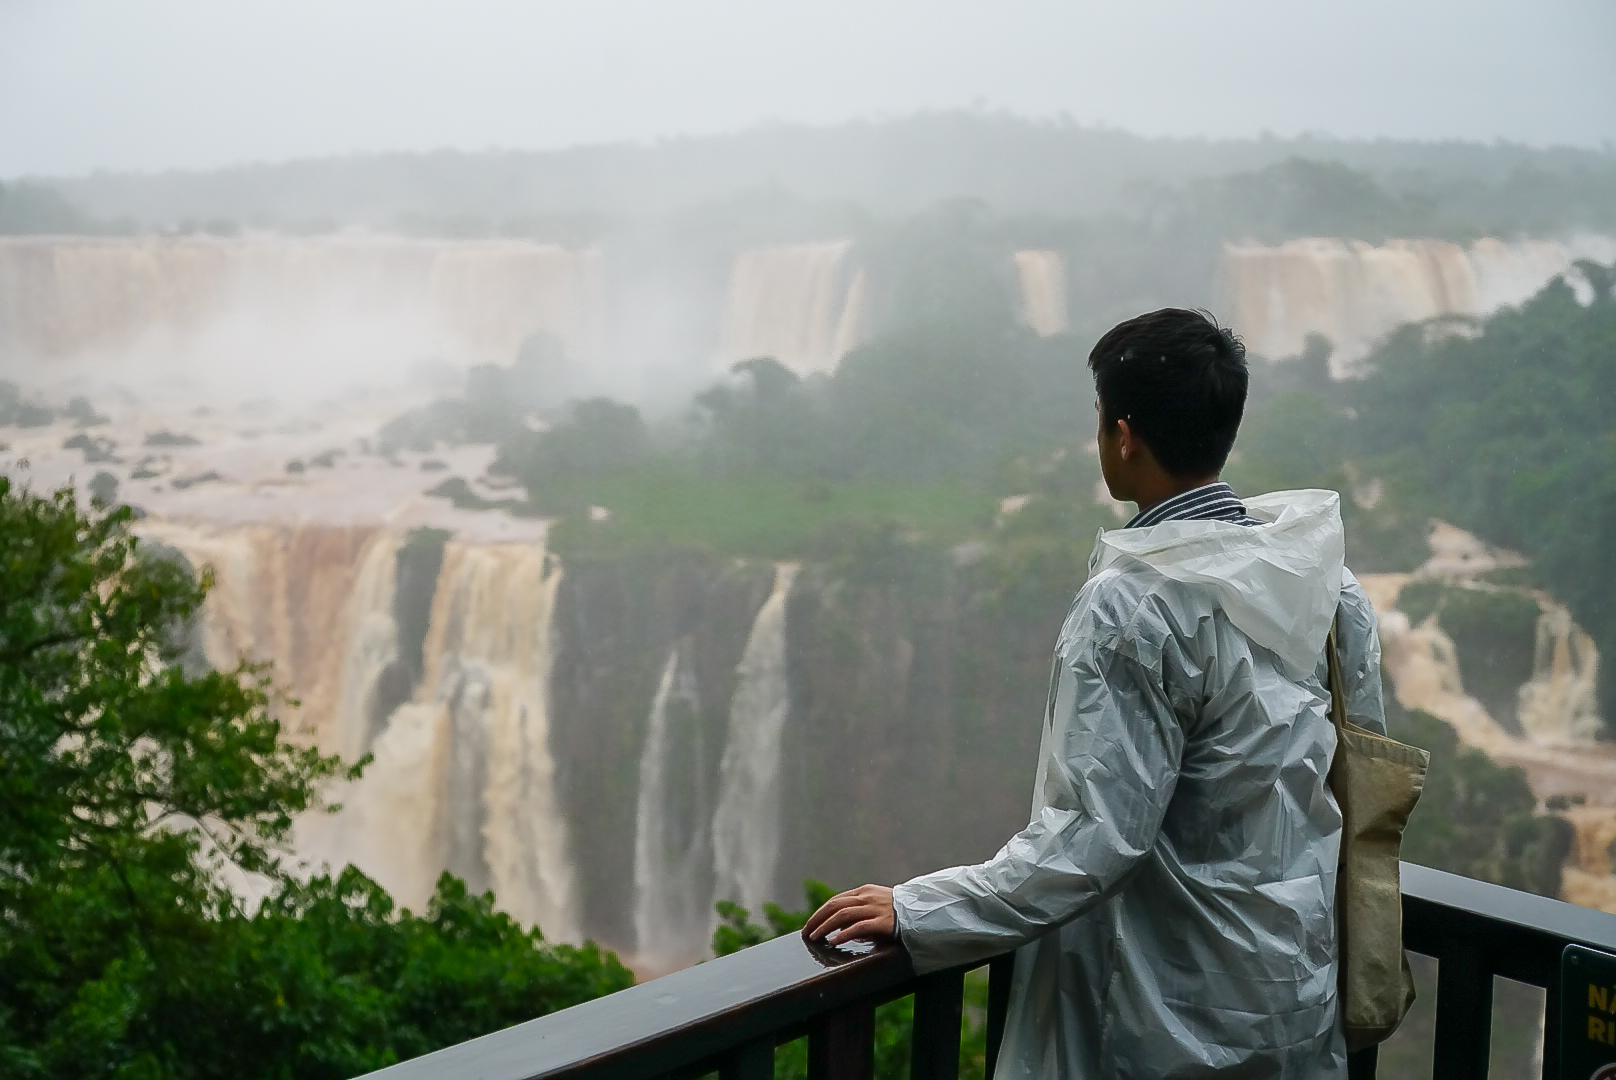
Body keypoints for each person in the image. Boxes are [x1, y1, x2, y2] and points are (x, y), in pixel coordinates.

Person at [803, 308, 1385, 1079]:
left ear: (1124, 436)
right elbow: (1353, 769)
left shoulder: (1136, 603)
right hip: (1289, 995)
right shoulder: (1322, 580)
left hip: (1164, 1018)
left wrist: (920, 911)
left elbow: (1096, 839)